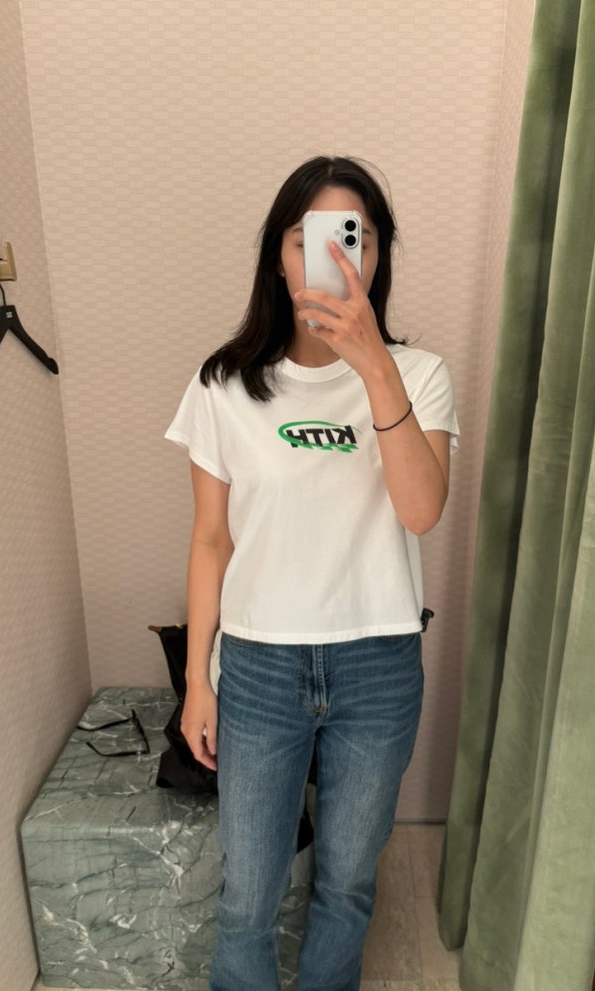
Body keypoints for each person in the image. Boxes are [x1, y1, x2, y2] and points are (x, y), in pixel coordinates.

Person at [165, 156, 459, 991]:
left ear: (376, 254)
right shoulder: (224, 384)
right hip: (258, 666)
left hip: (378, 664)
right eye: (307, 238)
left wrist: (374, 367)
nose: (331, 257)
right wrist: (198, 679)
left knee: (347, 883)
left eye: (350, 238)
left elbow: (420, 511)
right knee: (248, 893)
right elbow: (211, 540)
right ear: (278, 256)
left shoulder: (419, 375)